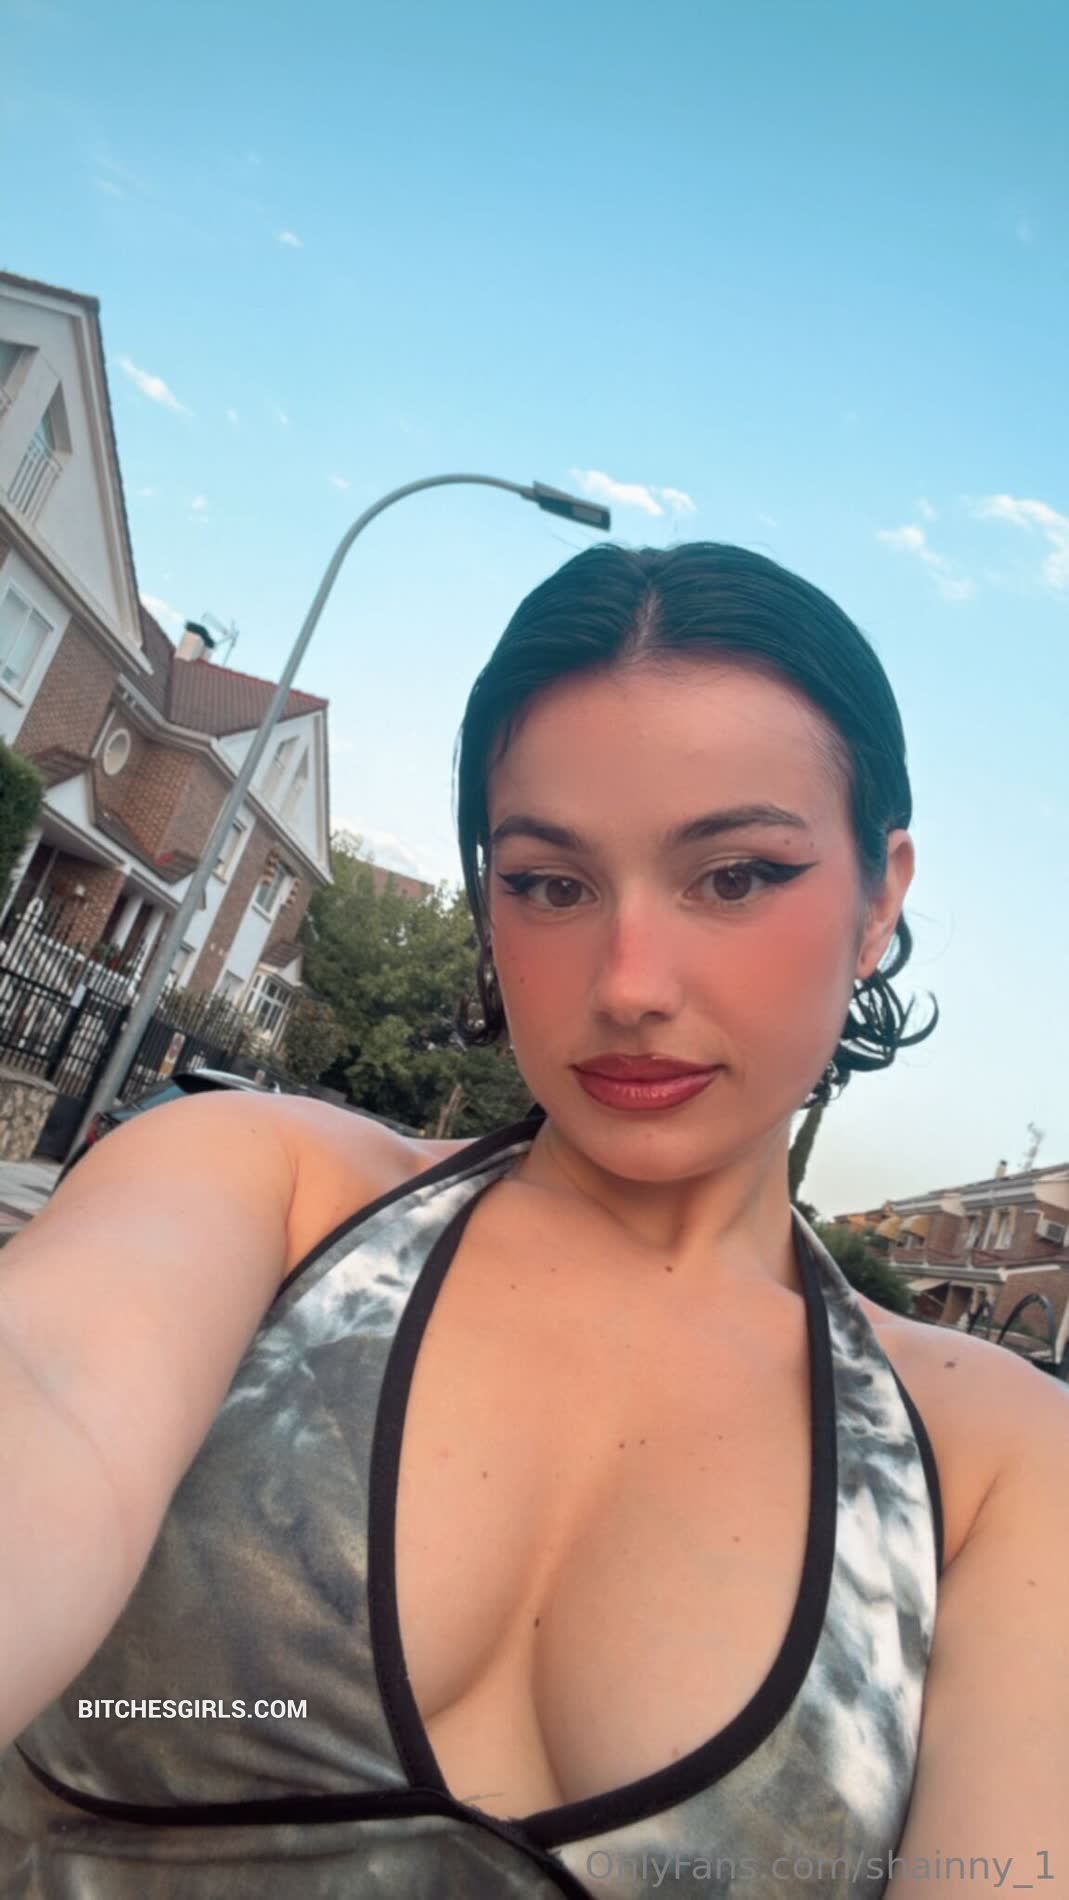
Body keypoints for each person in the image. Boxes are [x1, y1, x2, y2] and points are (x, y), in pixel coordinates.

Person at [1, 542, 1066, 1897]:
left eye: (736, 875)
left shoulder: (993, 1464)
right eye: (552, 884)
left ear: (878, 899)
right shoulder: (255, 1191)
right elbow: (46, 1393)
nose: (627, 984)